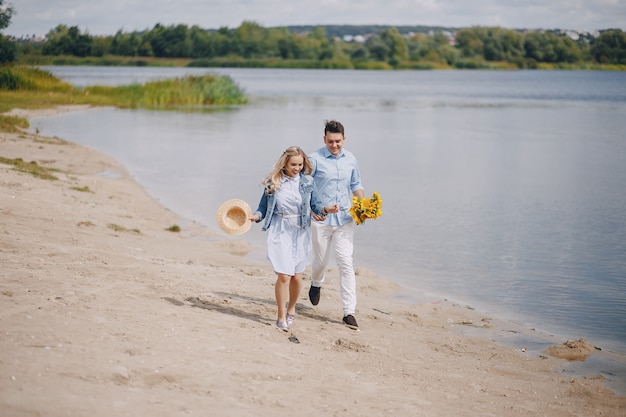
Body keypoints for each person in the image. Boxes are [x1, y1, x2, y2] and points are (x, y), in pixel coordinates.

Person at [250, 146, 338, 332]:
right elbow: (263, 208)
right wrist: (255, 217)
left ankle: (291, 308)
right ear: (285, 163)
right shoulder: (273, 182)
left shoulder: (307, 182)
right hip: (280, 229)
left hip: (301, 231)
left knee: (297, 277)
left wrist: (326, 209)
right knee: (284, 275)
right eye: (293, 165)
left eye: (300, 164)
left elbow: (316, 204)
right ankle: (281, 315)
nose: (297, 168)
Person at [308, 120, 364, 330]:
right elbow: (305, 188)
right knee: (321, 261)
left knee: (345, 263)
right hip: (321, 219)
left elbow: (356, 184)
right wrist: (314, 210)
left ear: (344, 139)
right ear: (325, 139)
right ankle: (316, 283)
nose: (334, 145)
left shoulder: (351, 159)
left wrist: (361, 205)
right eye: (330, 141)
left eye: (338, 141)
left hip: (345, 220)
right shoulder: (314, 159)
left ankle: (349, 312)